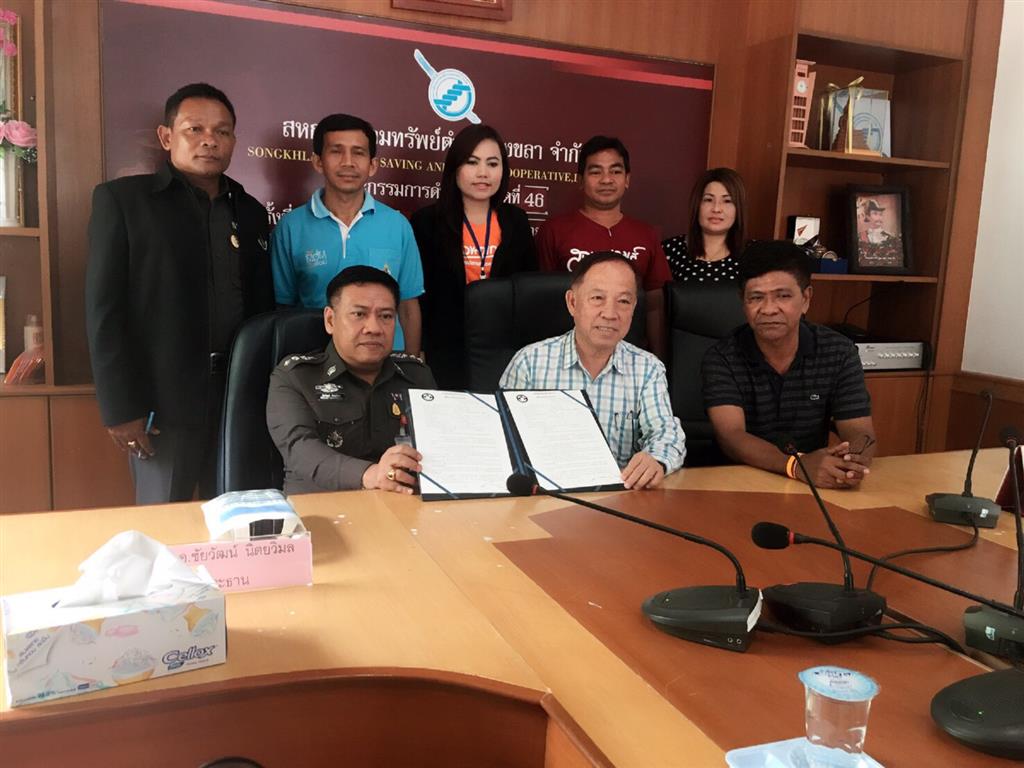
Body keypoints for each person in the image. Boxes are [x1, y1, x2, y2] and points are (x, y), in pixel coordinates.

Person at [86, 82, 274, 504]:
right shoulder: (124, 202)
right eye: (195, 129)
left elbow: (262, 310)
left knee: (235, 518)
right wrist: (120, 408)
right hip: (160, 405)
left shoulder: (249, 212)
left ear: (234, 141)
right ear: (167, 136)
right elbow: (104, 312)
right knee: (163, 522)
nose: (210, 140)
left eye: (222, 131)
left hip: (237, 396)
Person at [499, 251, 685, 489]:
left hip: (619, 498)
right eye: (597, 298)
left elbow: (666, 433)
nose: (610, 313)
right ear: (572, 303)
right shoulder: (529, 363)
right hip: (545, 497)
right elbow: (503, 440)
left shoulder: (647, 369)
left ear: (634, 308)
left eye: (623, 301)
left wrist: (656, 459)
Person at [702, 240, 876, 489]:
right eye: (756, 298)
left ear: (806, 298)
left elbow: (859, 430)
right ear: (743, 302)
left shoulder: (839, 352)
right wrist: (797, 466)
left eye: (783, 296)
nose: (768, 309)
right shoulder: (722, 357)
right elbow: (732, 436)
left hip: (811, 483)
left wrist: (851, 462)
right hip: (739, 483)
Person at [267, 266, 435, 495]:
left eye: (386, 316)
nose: (374, 328)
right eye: (359, 314)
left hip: (403, 507)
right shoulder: (296, 377)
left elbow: (441, 448)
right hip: (320, 508)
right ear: (330, 320)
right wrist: (370, 474)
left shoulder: (416, 376)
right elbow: (300, 449)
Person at [270, 113, 423, 355]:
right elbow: (283, 307)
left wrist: (412, 366)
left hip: (385, 362)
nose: (348, 162)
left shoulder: (397, 225)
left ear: (372, 165)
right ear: (318, 161)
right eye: (336, 151)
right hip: (314, 360)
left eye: (358, 153)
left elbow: (408, 307)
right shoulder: (291, 227)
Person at [411, 124, 537, 389]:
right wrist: (420, 349)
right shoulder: (427, 222)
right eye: (472, 162)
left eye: (492, 164)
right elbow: (420, 298)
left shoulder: (516, 221)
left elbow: (528, 291)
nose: (483, 173)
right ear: (455, 168)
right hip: (445, 350)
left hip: (505, 350)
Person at [535, 136, 671, 358]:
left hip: (631, 355)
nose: (606, 179)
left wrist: (660, 355)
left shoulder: (646, 234)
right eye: (596, 172)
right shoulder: (554, 230)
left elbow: (656, 304)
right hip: (567, 354)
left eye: (615, 171)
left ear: (627, 179)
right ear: (581, 180)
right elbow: (543, 300)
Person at [662, 167, 747, 283]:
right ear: (697, 205)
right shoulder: (668, 250)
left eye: (727, 201)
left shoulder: (753, 255)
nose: (716, 209)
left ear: (739, 208)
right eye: (708, 200)